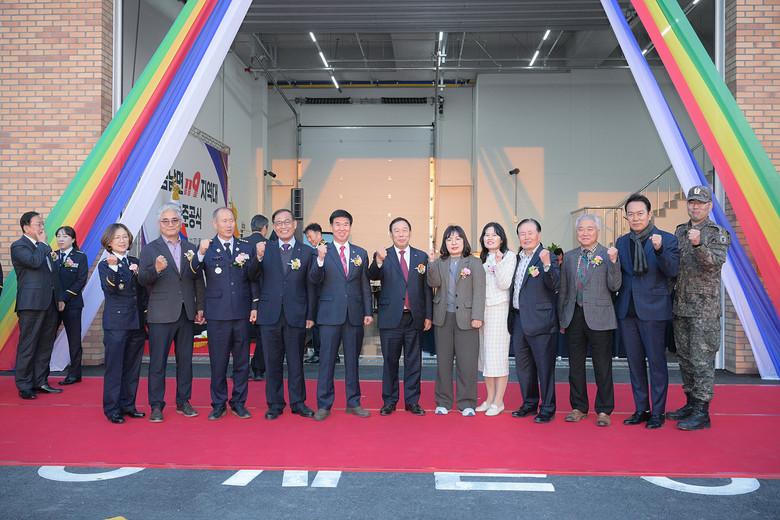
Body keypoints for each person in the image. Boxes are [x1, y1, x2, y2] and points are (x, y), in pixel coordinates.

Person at [188, 207, 259, 421]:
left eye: (231, 220)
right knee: (218, 362)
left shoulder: (245, 247)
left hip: (241, 312)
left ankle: (238, 403)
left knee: (242, 362)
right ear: (215, 224)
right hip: (217, 314)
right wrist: (200, 254)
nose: (229, 224)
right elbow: (193, 273)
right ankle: (219, 403)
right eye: (224, 221)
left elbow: (253, 279)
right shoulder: (206, 248)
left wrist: (255, 305)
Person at [615, 193, 679, 429]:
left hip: (654, 311)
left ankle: (658, 412)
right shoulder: (622, 242)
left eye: (640, 213)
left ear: (649, 214)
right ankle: (641, 409)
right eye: (631, 214)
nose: (635, 218)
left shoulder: (667, 239)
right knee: (635, 364)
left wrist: (660, 250)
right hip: (627, 311)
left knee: (657, 363)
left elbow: (672, 271)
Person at [669, 185, 730, 431]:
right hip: (681, 306)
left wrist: (698, 245)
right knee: (684, 360)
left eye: (701, 203)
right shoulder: (680, 230)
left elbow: (713, 265)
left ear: (709, 206)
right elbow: (674, 267)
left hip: (704, 311)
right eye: (692, 202)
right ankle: (691, 404)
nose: (695, 207)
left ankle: (702, 412)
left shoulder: (718, 233)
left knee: (701, 361)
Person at [138, 203, 205, 423]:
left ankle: (183, 401)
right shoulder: (150, 249)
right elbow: (142, 280)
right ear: (159, 224)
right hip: (160, 314)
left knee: (185, 361)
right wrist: (155, 269)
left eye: (174, 220)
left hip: (186, 313)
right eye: (165, 221)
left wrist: (200, 306)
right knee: (157, 363)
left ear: (181, 223)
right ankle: (156, 405)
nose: (170, 224)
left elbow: (197, 279)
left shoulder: (191, 248)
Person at [308, 209, 373, 421]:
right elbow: (313, 280)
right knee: (326, 361)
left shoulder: (360, 253)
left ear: (350, 227)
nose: (342, 228)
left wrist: (368, 311)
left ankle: (353, 403)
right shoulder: (321, 251)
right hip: (329, 315)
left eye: (345, 224)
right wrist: (319, 259)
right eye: (337, 224)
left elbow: (364, 285)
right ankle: (324, 405)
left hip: (354, 315)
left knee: (352, 361)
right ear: (331, 227)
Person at [252, 209, 317, 420]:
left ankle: (298, 403)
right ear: (273, 226)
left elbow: (311, 286)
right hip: (269, 314)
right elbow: (252, 276)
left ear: (295, 224)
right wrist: (257, 258)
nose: (283, 226)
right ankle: (274, 404)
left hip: (296, 314)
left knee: (296, 362)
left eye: (287, 222)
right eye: (278, 223)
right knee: (272, 362)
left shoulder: (306, 252)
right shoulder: (265, 249)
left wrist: (311, 315)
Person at [558, 214, 621, 427]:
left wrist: (614, 262)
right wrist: (561, 318)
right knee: (575, 366)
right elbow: (564, 290)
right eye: (581, 229)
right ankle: (579, 407)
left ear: (598, 231)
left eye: (590, 229)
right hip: (573, 315)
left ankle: (604, 410)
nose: (585, 233)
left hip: (600, 316)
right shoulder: (569, 257)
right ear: (576, 232)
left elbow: (615, 285)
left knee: (602, 365)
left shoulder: (608, 254)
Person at [368, 217, 433, 416]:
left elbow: (427, 289)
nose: (401, 234)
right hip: (391, 318)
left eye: (404, 230)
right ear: (391, 234)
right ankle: (389, 401)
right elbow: (372, 276)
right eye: (396, 230)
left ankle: (412, 401)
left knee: (414, 363)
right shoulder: (383, 255)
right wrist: (378, 261)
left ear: (410, 233)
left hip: (415, 318)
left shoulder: (421, 257)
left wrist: (428, 315)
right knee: (390, 362)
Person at [426, 224, 485, 417]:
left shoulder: (474, 263)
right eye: (449, 239)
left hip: (467, 318)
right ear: (444, 243)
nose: (453, 242)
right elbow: (433, 282)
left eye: (458, 238)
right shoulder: (440, 262)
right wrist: (431, 262)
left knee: (467, 363)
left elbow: (479, 291)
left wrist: (477, 316)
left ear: (464, 241)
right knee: (443, 363)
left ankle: (467, 403)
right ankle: (443, 402)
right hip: (443, 317)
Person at [508, 218, 560, 423]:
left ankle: (547, 408)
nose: (526, 237)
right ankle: (529, 404)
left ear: (539, 235)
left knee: (544, 368)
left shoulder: (547, 256)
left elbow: (555, 283)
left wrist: (546, 265)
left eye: (530, 233)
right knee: (524, 367)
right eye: (522, 233)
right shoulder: (517, 258)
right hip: (518, 319)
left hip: (541, 321)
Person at [11, 211, 64, 400]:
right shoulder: (19, 246)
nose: (42, 227)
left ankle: (40, 381)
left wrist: (59, 298)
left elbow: (52, 274)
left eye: (43, 224)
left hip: (50, 303)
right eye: (38, 224)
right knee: (28, 344)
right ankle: (24, 385)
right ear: (26, 228)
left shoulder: (44, 247)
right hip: (31, 304)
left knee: (45, 344)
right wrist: (43, 244)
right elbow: (33, 263)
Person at [98, 223, 148, 423]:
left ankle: (128, 405)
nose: (122, 240)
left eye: (125, 236)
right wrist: (113, 267)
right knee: (115, 368)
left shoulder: (134, 262)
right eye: (117, 237)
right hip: (117, 324)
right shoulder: (105, 265)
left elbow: (142, 292)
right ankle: (112, 409)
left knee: (132, 368)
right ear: (109, 242)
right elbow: (109, 290)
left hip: (136, 322)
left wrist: (145, 316)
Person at [475, 222, 516, 416]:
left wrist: (498, 264)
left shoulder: (509, 256)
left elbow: (505, 283)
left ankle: (499, 401)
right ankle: (490, 398)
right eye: (486, 234)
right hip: (483, 312)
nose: (489, 238)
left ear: (501, 238)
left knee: (497, 357)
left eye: (494, 234)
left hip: (499, 311)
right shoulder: (482, 258)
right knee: (485, 358)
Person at [54, 226, 88, 386]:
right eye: (58, 236)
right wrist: (57, 299)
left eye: (65, 236)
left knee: (74, 340)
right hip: (53, 304)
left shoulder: (80, 257)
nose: (61, 239)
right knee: (47, 338)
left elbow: (80, 281)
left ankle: (75, 374)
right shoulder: (52, 256)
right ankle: (41, 374)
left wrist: (63, 298)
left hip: (72, 304)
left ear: (73, 239)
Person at [244, 213, 269, 381]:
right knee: (262, 335)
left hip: (242, 295)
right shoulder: (270, 245)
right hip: (263, 295)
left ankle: (242, 369)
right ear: (265, 228)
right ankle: (259, 370)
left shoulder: (240, 243)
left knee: (241, 335)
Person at [303, 222, 325, 364]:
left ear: (319, 234)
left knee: (318, 325)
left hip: (320, 293)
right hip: (319, 294)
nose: (309, 240)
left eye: (310, 236)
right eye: (307, 237)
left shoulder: (322, 250)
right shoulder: (318, 249)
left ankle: (318, 353)